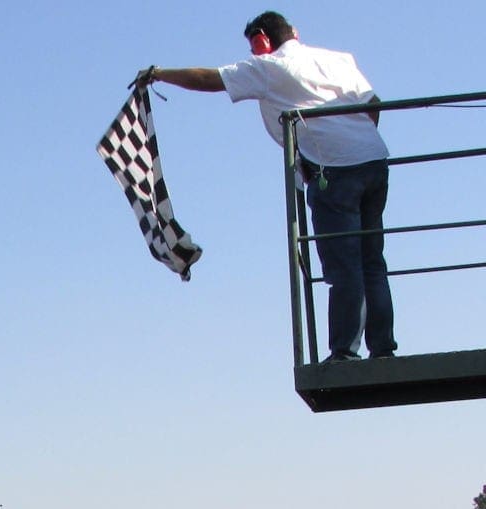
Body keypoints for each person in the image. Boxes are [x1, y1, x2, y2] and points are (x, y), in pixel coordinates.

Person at [135, 11, 397, 362]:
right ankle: (382, 348)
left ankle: (345, 353)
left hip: (333, 170)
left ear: (261, 40)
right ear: (294, 33)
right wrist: (357, 141)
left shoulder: (270, 66)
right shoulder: (338, 59)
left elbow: (210, 79)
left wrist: (158, 74)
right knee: (372, 261)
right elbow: (373, 103)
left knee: (343, 265)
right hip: (375, 161)